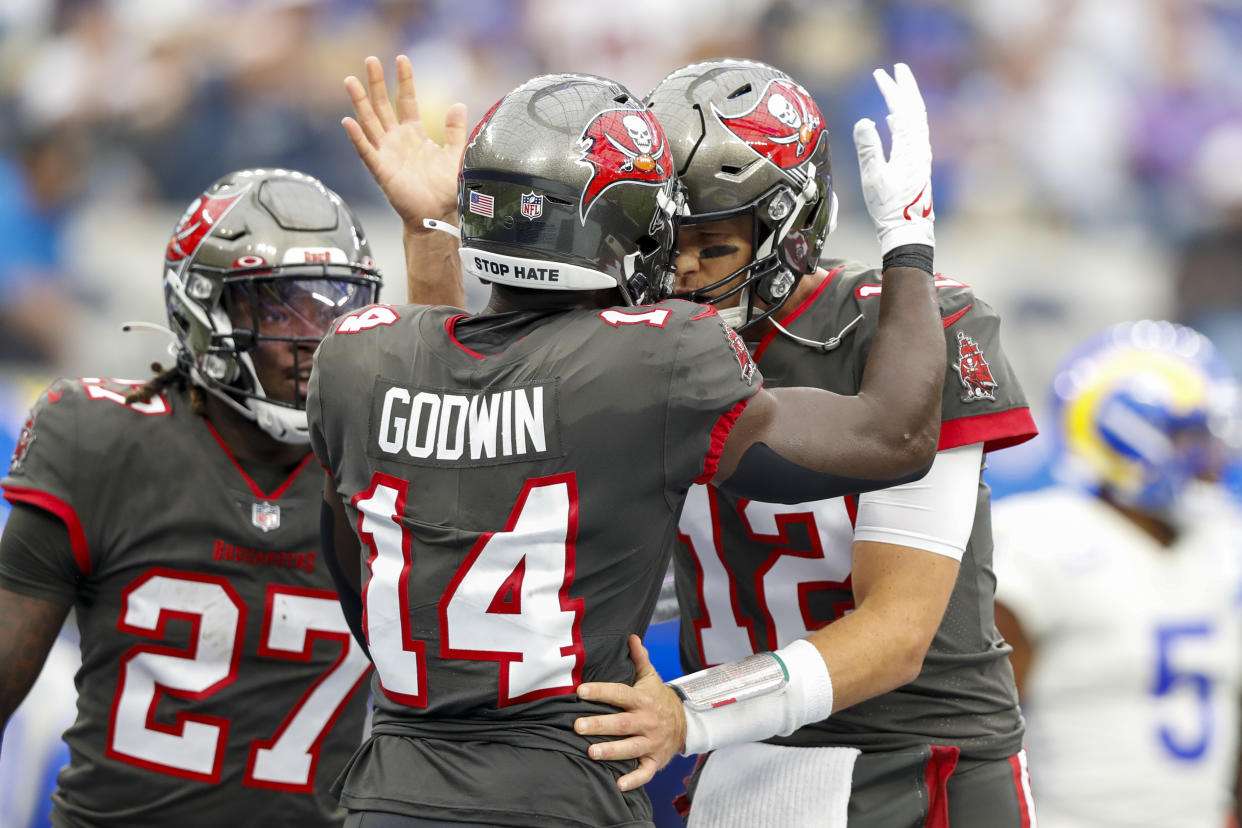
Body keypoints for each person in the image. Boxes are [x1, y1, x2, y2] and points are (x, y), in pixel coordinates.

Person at [314, 66, 946, 826]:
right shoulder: (655, 358)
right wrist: (909, 241)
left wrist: (430, 231)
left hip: (392, 791)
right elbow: (896, 434)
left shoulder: (357, 356)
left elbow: (366, 571)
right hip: (560, 789)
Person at [565, 59, 1040, 828]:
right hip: (744, 757)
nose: (679, 274)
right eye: (661, 243)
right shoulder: (631, 344)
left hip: (913, 757)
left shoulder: (902, 332)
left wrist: (690, 712)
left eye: (710, 247)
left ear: (789, 231)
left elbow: (896, 635)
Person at [0, 167, 380, 826]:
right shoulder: (103, 439)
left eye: (332, 304)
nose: (311, 336)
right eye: (279, 304)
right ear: (204, 309)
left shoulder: (379, 462)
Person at [992, 320, 1242, 828]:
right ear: (1128, 437)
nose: (1214, 460)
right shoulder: (1041, 538)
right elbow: (978, 727)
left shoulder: (1225, 542)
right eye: (1193, 436)